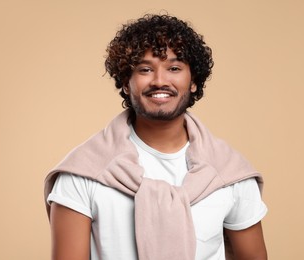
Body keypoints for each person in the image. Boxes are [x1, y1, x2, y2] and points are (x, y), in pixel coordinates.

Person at [44, 14, 268, 260]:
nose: (160, 81)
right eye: (145, 69)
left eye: (174, 68)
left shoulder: (228, 173)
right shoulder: (83, 172)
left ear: (193, 81)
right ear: (126, 83)